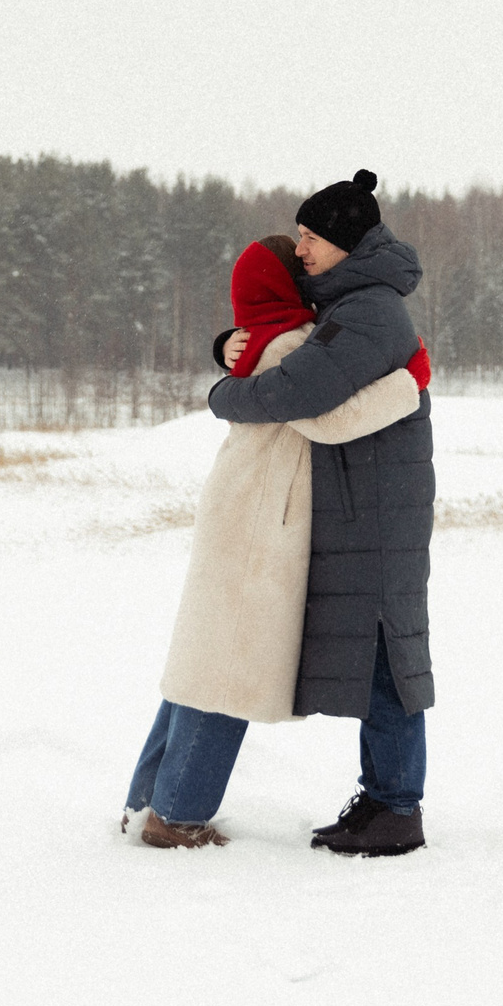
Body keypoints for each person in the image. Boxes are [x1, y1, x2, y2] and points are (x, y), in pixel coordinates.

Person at [125, 234, 427, 848]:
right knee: (231, 666)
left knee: (201, 662)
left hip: (240, 512)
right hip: (264, 523)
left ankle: (145, 801)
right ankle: (176, 815)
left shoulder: (256, 340)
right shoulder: (291, 345)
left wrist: (224, 354)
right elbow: (326, 417)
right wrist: (408, 381)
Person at [207, 170, 436, 858]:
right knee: (378, 655)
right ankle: (383, 796)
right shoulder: (350, 299)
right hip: (369, 503)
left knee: (387, 658)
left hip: (377, 511)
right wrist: (227, 342)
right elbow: (273, 317)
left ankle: (397, 806)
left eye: (310, 237)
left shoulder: (369, 311)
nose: (300, 249)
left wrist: (222, 392)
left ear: (343, 242)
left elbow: (295, 388)